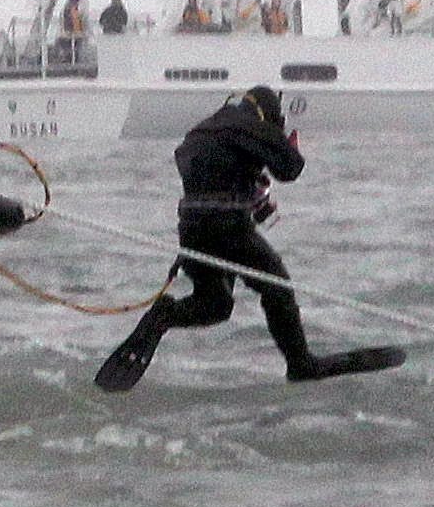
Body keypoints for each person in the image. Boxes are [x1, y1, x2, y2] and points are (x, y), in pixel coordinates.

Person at [94, 87, 404, 392]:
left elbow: (211, 171)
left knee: (215, 304)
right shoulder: (250, 124)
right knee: (277, 286)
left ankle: (163, 316)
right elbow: (290, 169)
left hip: (192, 229)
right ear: (268, 115)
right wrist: (286, 146)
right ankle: (301, 364)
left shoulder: (203, 129)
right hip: (227, 227)